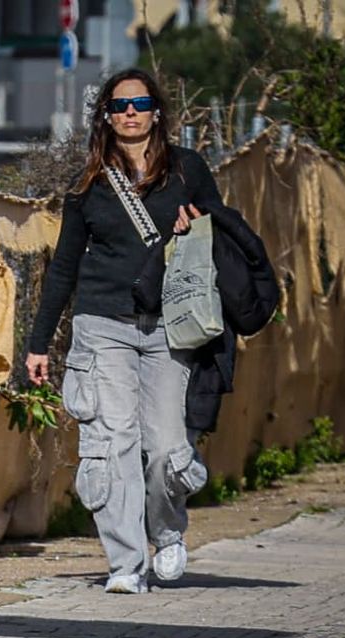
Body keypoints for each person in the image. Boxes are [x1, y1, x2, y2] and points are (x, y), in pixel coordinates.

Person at [25, 68, 221, 594]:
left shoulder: (189, 171)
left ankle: (168, 531)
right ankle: (125, 563)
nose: (129, 113)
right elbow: (63, 266)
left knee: (164, 446)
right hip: (101, 326)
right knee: (112, 443)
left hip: (169, 328)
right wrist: (39, 343)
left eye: (138, 104)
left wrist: (194, 226)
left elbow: (221, 237)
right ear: (106, 119)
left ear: (157, 110)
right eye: (118, 107)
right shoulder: (89, 185)